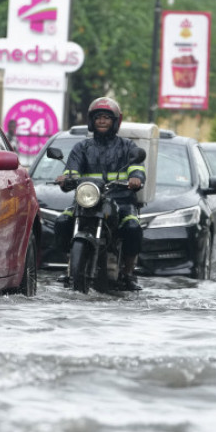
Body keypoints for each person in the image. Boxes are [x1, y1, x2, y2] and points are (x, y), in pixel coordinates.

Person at [54, 97, 147, 291]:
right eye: (98, 118)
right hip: (88, 200)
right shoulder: (82, 148)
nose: (102, 121)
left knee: (132, 227)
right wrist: (66, 178)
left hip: (121, 201)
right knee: (62, 221)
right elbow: (72, 171)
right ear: (92, 121)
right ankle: (71, 266)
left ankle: (128, 273)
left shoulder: (127, 147)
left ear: (115, 121)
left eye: (106, 117)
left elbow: (137, 169)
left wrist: (136, 179)